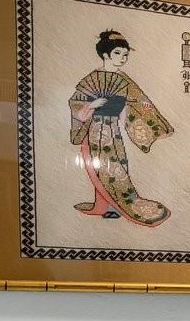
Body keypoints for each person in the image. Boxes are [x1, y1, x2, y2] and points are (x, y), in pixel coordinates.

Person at [67, 28, 172, 226]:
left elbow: (136, 105)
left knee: (116, 170)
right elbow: (76, 104)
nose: (122, 58)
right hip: (92, 131)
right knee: (99, 169)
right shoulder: (91, 79)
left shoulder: (125, 81)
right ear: (106, 54)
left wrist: (144, 127)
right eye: (117, 53)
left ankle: (113, 207)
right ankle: (105, 207)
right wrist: (92, 105)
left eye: (125, 55)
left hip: (113, 132)